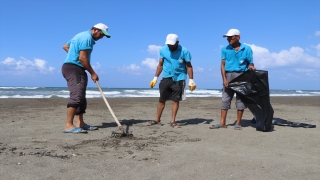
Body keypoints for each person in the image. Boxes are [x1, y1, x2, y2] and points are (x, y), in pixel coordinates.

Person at [61, 23, 111, 133]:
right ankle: (68, 125)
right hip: (74, 68)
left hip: (74, 67)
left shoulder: (80, 35)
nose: (101, 37)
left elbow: (65, 46)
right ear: (95, 30)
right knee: (77, 96)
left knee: (81, 97)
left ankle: (80, 123)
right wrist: (93, 73)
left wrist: (74, 55)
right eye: (101, 34)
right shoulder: (87, 38)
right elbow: (83, 58)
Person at [147, 34, 196, 128]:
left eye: (172, 44)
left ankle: (172, 121)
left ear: (177, 42)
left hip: (179, 78)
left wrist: (191, 80)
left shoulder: (185, 51)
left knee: (175, 100)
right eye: (168, 44)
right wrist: (155, 77)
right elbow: (160, 65)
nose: (170, 46)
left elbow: (189, 66)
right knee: (162, 99)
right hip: (166, 77)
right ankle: (157, 119)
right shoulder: (162, 50)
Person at [210, 29, 255, 130]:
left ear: (238, 37)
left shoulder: (247, 48)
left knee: (241, 100)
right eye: (227, 37)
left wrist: (251, 67)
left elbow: (250, 63)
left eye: (231, 37)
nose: (228, 39)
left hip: (242, 76)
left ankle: (238, 123)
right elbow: (222, 65)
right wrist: (224, 79)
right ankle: (222, 123)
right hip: (229, 75)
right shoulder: (225, 49)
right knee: (225, 99)